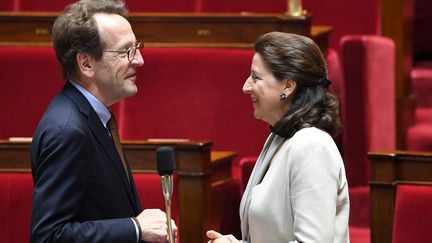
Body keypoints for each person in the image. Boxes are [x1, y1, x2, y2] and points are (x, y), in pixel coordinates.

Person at [30, 0, 177, 242]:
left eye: (137, 47)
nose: (139, 60)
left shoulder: (91, 116)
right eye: (125, 51)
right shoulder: (68, 131)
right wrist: (135, 228)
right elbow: (48, 236)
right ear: (86, 63)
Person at [207, 32, 350, 243]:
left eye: (256, 77)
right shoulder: (279, 138)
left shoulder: (312, 147)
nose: (246, 87)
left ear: (288, 86)